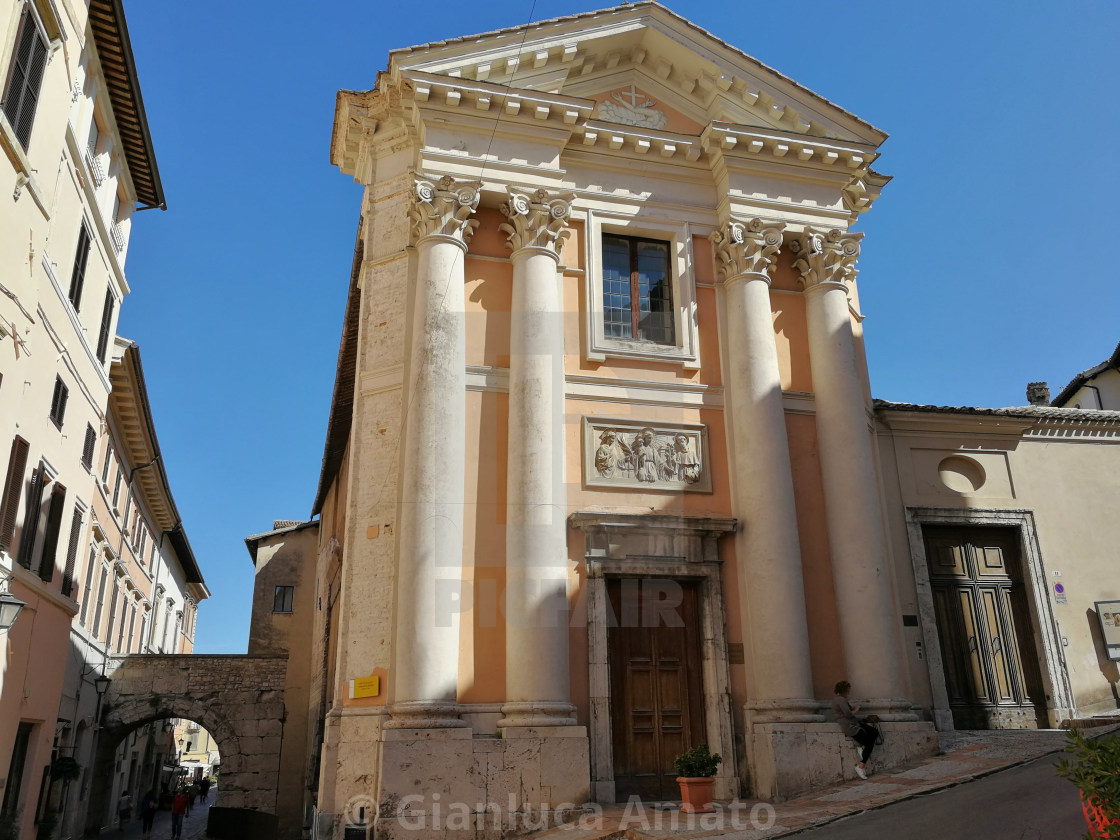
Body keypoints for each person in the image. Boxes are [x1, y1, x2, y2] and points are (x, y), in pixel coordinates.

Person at [832, 680, 881, 780]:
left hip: (854, 723)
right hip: (850, 727)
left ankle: (862, 748)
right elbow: (848, 714)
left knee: (874, 732)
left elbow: (848, 710)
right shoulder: (840, 700)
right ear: (844, 690)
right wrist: (857, 709)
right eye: (848, 690)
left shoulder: (839, 699)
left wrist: (859, 713)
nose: (849, 692)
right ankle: (860, 766)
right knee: (869, 744)